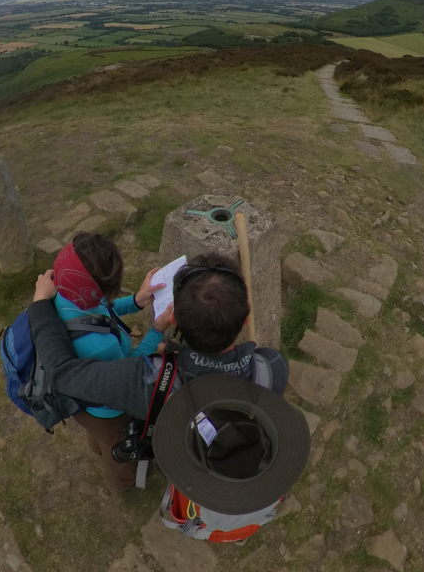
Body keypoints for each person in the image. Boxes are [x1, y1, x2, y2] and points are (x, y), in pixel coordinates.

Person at [29, 252, 310, 541]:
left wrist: (40, 306)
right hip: (226, 463)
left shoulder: (144, 379)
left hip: (182, 460)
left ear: (174, 317)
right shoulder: (271, 367)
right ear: (246, 318)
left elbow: (63, 373)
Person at [48, 232, 164, 493]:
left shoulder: (64, 294)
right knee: (117, 448)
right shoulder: (102, 345)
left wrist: (137, 300)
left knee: (97, 435)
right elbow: (127, 373)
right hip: (107, 410)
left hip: (82, 399)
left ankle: (96, 447)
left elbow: (102, 308)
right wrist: (156, 330)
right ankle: (120, 485)